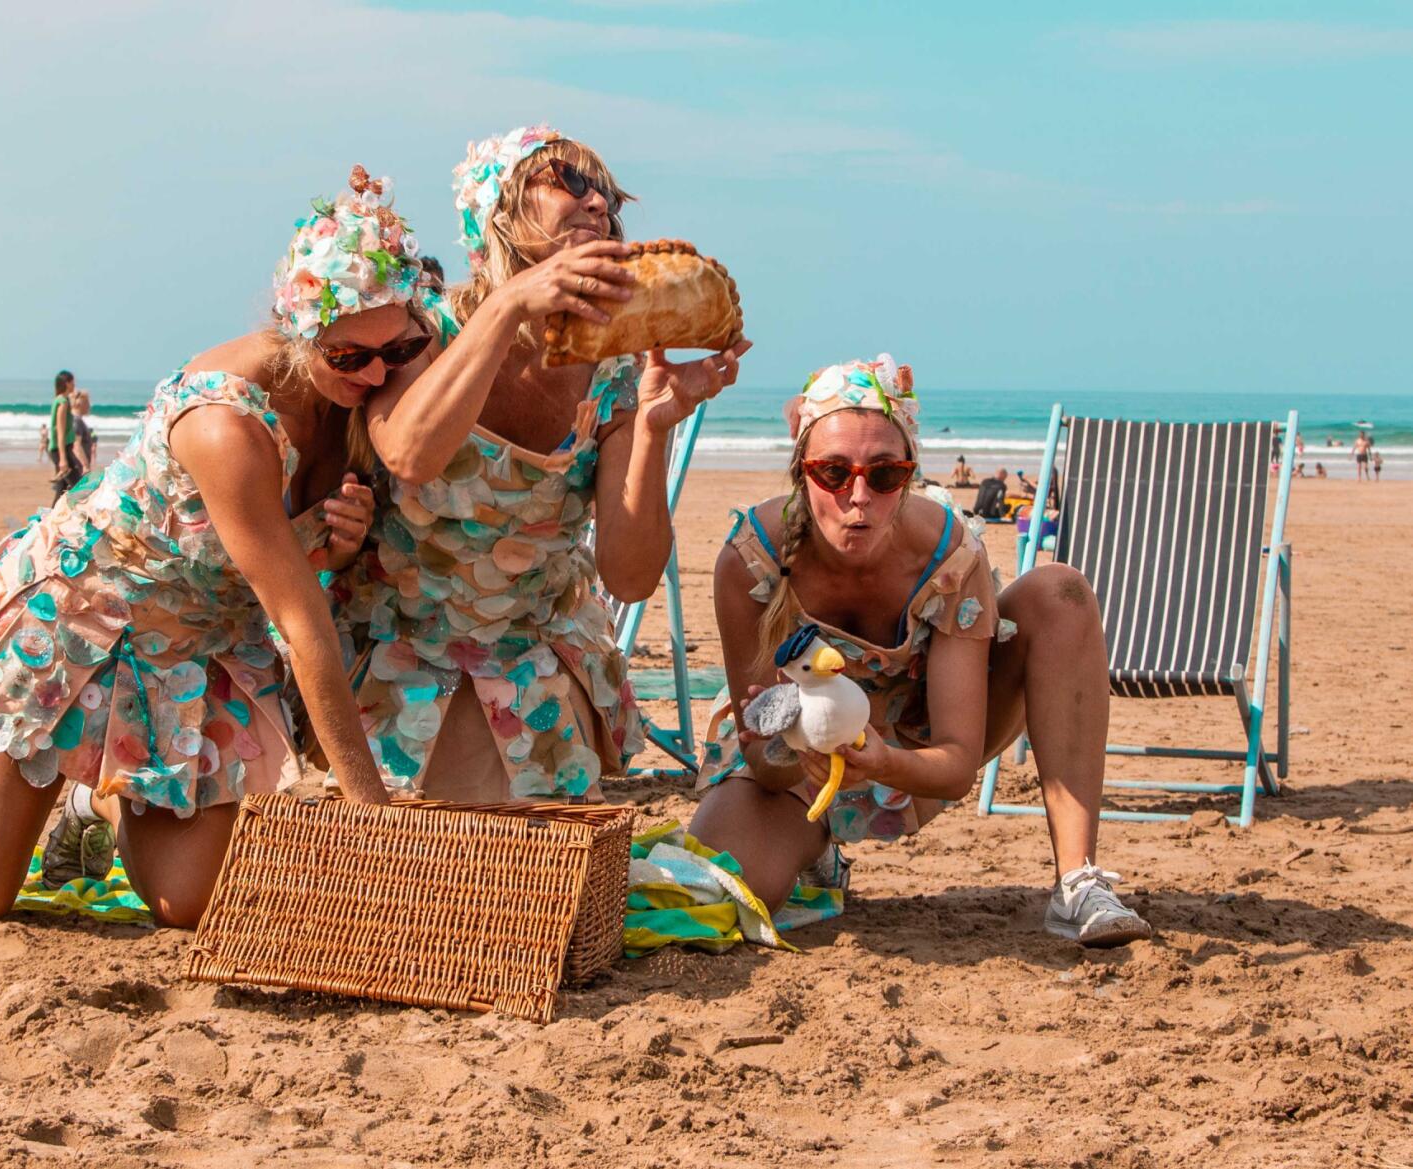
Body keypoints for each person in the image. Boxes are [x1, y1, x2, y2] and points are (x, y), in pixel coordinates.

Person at [0, 166, 431, 927]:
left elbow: (262, 565)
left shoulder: (359, 393)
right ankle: (66, 795)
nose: (380, 371)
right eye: (351, 356)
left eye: (399, 346)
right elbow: (299, 624)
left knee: (190, 903)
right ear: (301, 333)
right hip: (81, 625)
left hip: (196, 652)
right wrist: (377, 817)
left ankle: (95, 816)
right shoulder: (226, 424)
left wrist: (333, 549)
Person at [343, 123, 750, 802]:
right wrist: (508, 302)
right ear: (498, 213)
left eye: (607, 196)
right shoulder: (424, 333)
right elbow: (410, 454)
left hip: (537, 659)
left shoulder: (614, 368)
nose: (598, 205)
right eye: (570, 182)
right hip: (403, 660)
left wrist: (651, 427)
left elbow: (630, 571)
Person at [689, 357, 1152, 947]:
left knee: (1059, 593)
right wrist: (782, 753)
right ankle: (814, 860)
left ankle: (1078, 882)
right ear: (800, 471)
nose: (859, 497)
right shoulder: (749, 560)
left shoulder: (951, 555)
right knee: (721, 891)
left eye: (884, 475)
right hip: (797, 771)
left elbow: (957, 764)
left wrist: (880, 761)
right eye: (832, 471)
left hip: (912, 748)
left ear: (908, 474)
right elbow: (766, 766)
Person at [45, 374, 82, 501]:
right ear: (67, 383)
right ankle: (53, 518)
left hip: (61, 449)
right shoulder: (62, 402)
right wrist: (63, 459)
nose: (74, 385)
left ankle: (52, 518)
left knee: (62, 486)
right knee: (79, 485)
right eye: (72, 382)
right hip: (61, 449)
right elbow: (60, 432)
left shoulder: (61, 399)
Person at [60, 372, 98, 472]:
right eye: (88, 402)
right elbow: (76, 446)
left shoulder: (74, 420)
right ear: (81, 404)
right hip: (77, 467)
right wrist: (85, 465)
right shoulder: (76, 421)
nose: (89, 406)